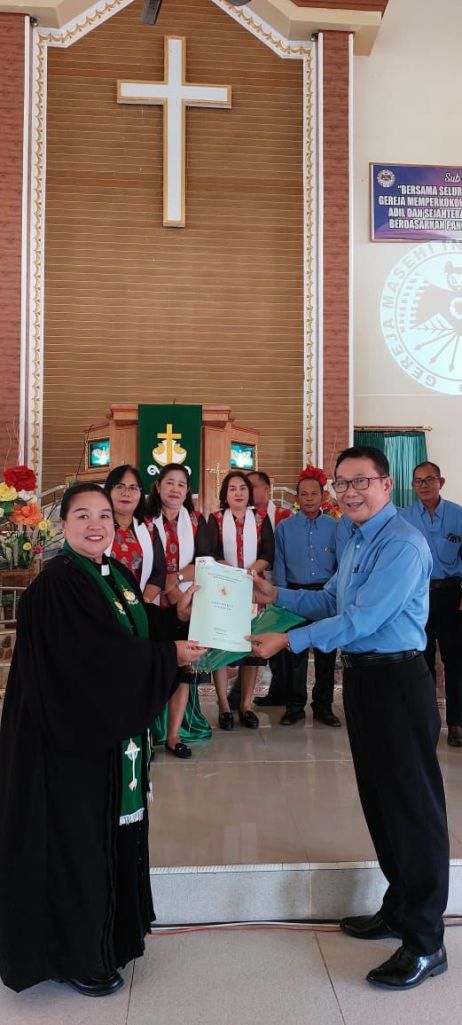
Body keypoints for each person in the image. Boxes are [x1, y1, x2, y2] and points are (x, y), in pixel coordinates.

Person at [249, 446, 449, 991]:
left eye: (361, 481)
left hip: (399, 683)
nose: (350, 492)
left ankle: (426, 941)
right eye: (343, 483)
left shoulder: (403, 543)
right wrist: (278, 594)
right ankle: (399, 906)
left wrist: (289, 640)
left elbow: (363, 619)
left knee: (412, 809)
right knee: (380, 802)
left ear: (386, 485)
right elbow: (332, 602)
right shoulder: (357, 539)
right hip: (364, 682)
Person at [0, 483, 206, 996]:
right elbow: (92, 660)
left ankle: (111, 939)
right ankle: (76, 954)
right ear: (62, 525)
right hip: (69, 744)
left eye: (104, 517)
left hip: (110, 739)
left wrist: (174, 620)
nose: (96, 525)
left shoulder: (114, 574)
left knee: (111, 836)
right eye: (82, 516)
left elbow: (135, 629)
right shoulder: (57, 585)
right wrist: (169, 655)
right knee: (79, 844)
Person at [146, 463, 212, 758]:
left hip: (187, 605)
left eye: (181, 484)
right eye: (169, 482)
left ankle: (174, 735)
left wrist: (176, 579)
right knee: (152, 667)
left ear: (187, 491)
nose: (175, 489)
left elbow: (205, 561)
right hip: (151, 605)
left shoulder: (196, 521)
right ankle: (148, 732)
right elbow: (146, 564)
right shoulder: (145, 521)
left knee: (182, 669)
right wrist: (168, 588)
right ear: (158, 486)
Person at [400, 461, 462, 747]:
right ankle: (425, 721)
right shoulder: (403, 518)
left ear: (441, 481)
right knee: (420, 660)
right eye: (418, 481)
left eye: (429, 479)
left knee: (455, 660)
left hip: (450, 595)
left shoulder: (458, 515)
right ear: (412, 485)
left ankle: (457, 722)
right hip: (416, 597)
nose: (424, 485)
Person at [273, 466, 340, 727]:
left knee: (326, 653)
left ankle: (324, 707)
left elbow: (341, 565)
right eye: (304, 494)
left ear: (323, 496)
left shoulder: (335, 527)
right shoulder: (285, 528)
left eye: (314, 493)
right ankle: (294, 707)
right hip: (294, 594)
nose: (309, 498)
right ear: (297, 497)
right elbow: (279, 564)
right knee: (295, 653)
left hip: (326, 594)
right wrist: (281, 598)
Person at [208, 470, 274, 729]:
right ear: (225, 494)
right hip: (223, 590)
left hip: (253, 590)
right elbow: (210, 551)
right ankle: (224, 706)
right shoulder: (214, 519)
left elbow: (268, 552)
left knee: (252, 647)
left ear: (249, 493)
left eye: (243, 488)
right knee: (221, 646)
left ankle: (246, 705)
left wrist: (249, 574)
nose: (238, 493)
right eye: (232, 489)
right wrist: (232, 574)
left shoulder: (261, 519)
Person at [228, 470, 291, 710]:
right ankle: (238, 695)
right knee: (249, 639)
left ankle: (276, 692)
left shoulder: (283, 516)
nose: (246, 491)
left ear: (267, 488)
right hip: (245, 587)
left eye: (251, 486)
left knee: (272, 641)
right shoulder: (238, 517)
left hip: (275, 586)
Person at [104, 463, 165, 602]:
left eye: (133, 488)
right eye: (120, 486)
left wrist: (142, 604)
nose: (126, 493)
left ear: (140, 493)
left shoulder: (149, 528)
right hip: (103, 604)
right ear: (108, 491)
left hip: (141, 604)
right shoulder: (97, 527)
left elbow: (159, 573)